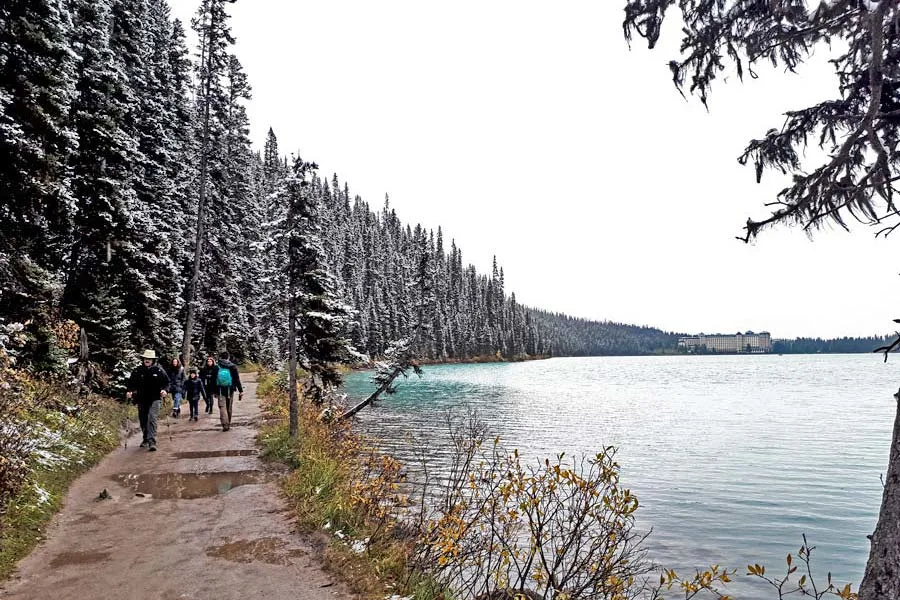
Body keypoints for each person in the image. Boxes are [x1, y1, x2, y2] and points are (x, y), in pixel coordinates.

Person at [125, 349, 169, 451]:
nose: (147, 360)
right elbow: (131, 384)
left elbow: (167, 382)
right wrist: (129, 391)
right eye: (146, 358)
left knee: (152, 418)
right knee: (143, 420)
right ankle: (145, 438)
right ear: (143, 359)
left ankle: (152, 441)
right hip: (141, 399)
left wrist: (165, 390)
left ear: (153, 360)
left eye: (149, 359)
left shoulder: (158, 370)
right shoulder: (137, 370)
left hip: (155, 398)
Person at [216, 351, 243, 431]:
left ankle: (225, 424)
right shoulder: (232, 366)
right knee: (229, 406)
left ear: (220, 357)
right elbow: (237, 379)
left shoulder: (217, 366)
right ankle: (228, 423)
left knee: (222, 406)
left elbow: (213, 380)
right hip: (230, 389)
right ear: (228, 357)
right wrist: (240, 390)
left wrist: (214, 391)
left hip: (220, 389)